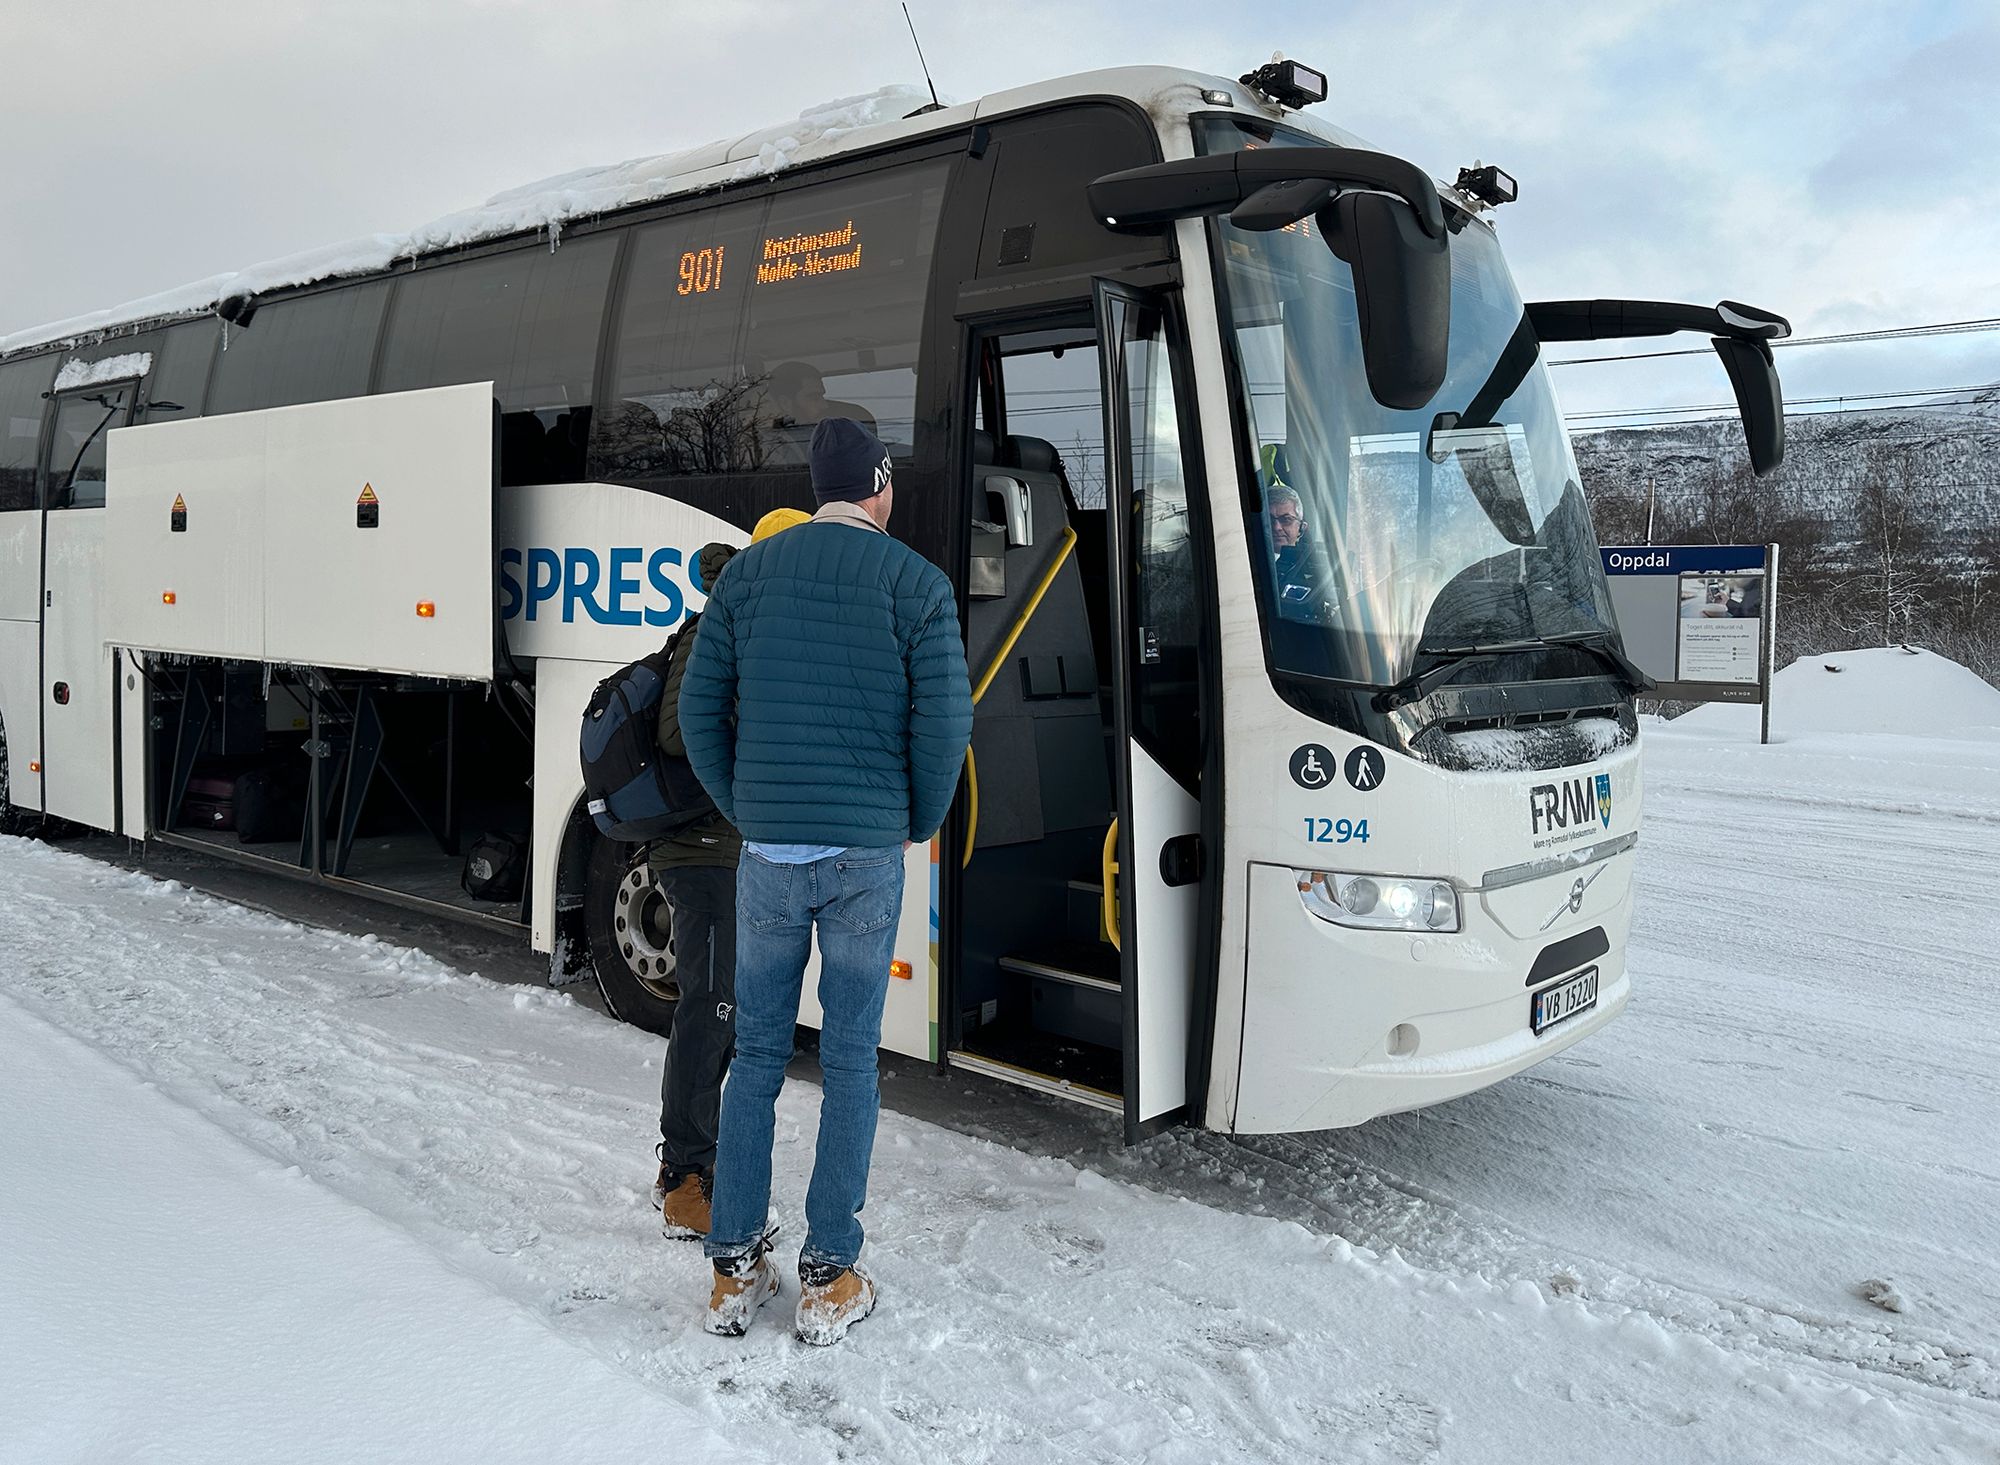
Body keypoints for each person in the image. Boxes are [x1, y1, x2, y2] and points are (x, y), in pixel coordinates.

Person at [678, 417, 972, 1345]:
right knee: (847, 1061)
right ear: (879, 486)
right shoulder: (917, 584)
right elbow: (945, 727)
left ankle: (733, 1271)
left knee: (757, 1055)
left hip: (768, 856)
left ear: (818, 488)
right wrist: (912, 822)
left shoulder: (751, 575)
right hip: (862, 859)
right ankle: (829, 1272)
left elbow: (698, 707)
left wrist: (748, 806)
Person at [649, 511, 811, 1240]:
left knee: (729, 1013)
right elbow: (679, 731)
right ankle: (684, 1177)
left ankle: (699, 1164)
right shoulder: (719, 625)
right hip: (702, 849)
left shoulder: (761, 627)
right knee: (708, 1007)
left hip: (737, 849)